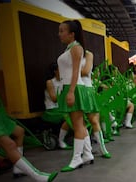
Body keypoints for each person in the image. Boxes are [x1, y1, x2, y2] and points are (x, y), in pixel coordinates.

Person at [0, 91, 58, 182]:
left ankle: (18, 167)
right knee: (10, 145)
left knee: (19, 132)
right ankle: (37, 176)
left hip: (0, 116)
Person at [57, 20, 96, 171]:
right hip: (70, 87)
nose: (59, 34)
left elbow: (75, 72)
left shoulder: (76, 48)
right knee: (79, 123)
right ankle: (87, 154)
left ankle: (76, 159)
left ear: (72, 34)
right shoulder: (71, 48)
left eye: (62, 31)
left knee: (78, 124)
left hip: (74, 87)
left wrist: (71, 91)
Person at [81, 49, 111, 158]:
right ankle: (86, 152)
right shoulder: (67, 53)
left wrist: (70, 71)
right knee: (79, 123)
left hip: (87, 91)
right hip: (75, 89)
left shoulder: (88, 54)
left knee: (94, 120)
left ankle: (103, 149)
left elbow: (85, 71)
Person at [41, 62, 71, 149]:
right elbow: (54, 98)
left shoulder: (63, 81)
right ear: (55, 71)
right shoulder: (50, 82)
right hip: (52, 109)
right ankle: (61, 140)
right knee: (69, 117)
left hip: (62, 108)